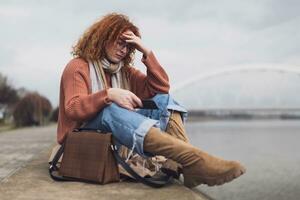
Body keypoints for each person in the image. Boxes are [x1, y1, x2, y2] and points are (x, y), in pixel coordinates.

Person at [56, 12, 246, 188]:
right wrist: (109, 94)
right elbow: (73, 108)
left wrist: (147, 52)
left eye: (128, 46)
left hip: (112, 134)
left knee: (163, 101)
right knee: (109, 109)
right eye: (120, 42)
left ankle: (185, 165)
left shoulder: (124, 72)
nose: (124, 50)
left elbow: (160, 89)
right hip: (80, 138)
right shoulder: (78, 67)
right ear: (103, 38)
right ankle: (194, 160)